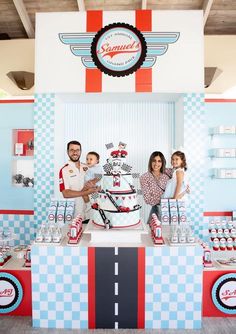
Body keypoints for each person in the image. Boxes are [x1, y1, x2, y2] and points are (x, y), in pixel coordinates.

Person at [59, 141, 98, 220]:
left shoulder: (88, 167)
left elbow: (98, 180)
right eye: (72, 150)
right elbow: (65, 193)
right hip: (75, 215)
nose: (75, 152)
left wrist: (94, 184)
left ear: (80, 151)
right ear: (67, 152)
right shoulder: (64, 170)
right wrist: (86, 192)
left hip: (92, 212)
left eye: (77, 150)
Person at [140, 151, 173, 222]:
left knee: (170, 232)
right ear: (150, 162)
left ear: (162, 162)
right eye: (154, 160)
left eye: (159, 161)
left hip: (171, 209)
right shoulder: (144, 177)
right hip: (157, 210)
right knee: (155, 231)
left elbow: (180, 174)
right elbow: (148, 199)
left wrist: (185, 188)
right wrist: (167, 199)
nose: (156, 163)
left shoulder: (167, 172)